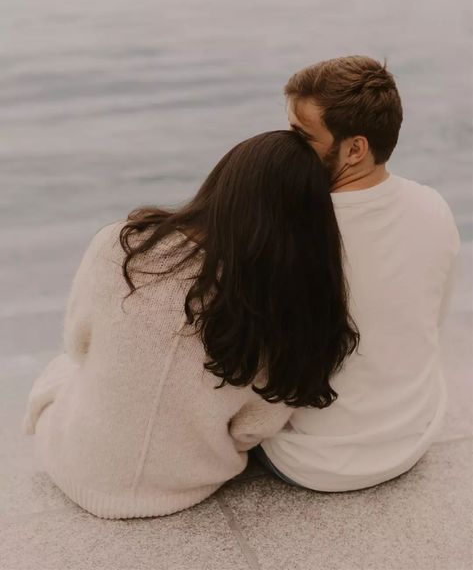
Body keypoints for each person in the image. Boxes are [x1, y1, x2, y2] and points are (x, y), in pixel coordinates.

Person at [21, 130, 359, 518]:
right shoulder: (286, 309)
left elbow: (79, 346)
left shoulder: (120, 245)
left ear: (224, 182)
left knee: (63, 372)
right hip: (184, 485)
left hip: (77, 465)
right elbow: (253, 426)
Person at [256, 56, 461, 491]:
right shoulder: (434, 207)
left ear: (355, 149)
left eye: (301, 136)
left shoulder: (289, 227)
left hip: (310, 461)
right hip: (411, 439)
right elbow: (430, 322)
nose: (286, 147)